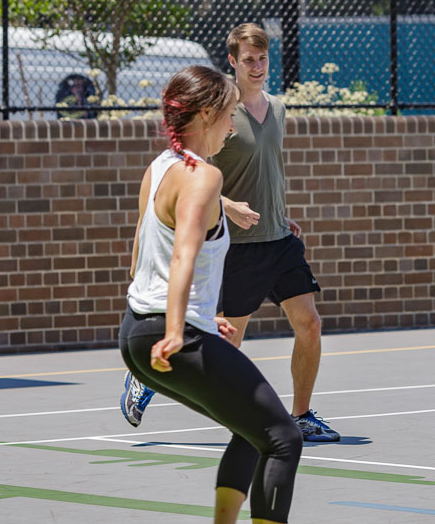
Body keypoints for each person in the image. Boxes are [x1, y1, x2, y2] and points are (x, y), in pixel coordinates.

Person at [118, 65, 327, 524]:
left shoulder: (160, 168)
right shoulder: (204, 177)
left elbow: (142, 254)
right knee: (283, 437)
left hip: (136, 331)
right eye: (230, 114)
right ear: (207, 115)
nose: (234, 126)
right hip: (170, 334)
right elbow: (183, 255)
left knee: (250, 426)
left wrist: (199, 321)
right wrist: (177, 329)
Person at [122, 23, 340, 443]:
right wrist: (229, 206)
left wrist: (280, 214)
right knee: (227, 343)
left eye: (263, 59)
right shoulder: (222, 112)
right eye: (248, 60)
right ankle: (148, 375)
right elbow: (191, 179)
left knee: (309, 323)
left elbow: (268, 170)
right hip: (237, 246)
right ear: (233, 62)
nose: (257, 67)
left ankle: (301, 415)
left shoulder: (277, 109)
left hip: (278, 238)